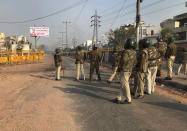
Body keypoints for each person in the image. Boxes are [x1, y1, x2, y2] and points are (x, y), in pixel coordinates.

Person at [112, 38, 137, 104]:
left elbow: (123, 60)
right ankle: (118, 98)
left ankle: (128, 100)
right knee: (122, 84)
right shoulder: (134, 52)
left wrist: (120, 67)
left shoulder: (126, 52)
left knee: (125, 84)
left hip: (124, 70)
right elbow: (135, 62)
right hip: (130, 70)